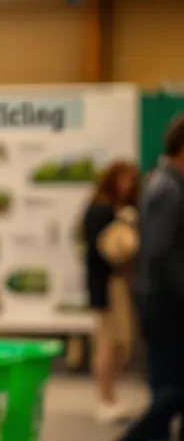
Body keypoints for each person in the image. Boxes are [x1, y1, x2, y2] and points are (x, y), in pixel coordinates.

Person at [99, 116, 184, 441]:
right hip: (168, 302)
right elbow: (164, 253)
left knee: (173, 387)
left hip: (163, 299)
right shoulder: (167, 188)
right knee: (175, 390)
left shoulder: (165, 183)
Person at [82, 161, 140, 423]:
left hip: (122, 283)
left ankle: (110, 394)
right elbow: (99, 251)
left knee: (123, 342)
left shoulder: (126, 210)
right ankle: (104, 398)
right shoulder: (99, 210)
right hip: (106, 285)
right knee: (107, 341)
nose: (126, 185)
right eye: (123, 179)